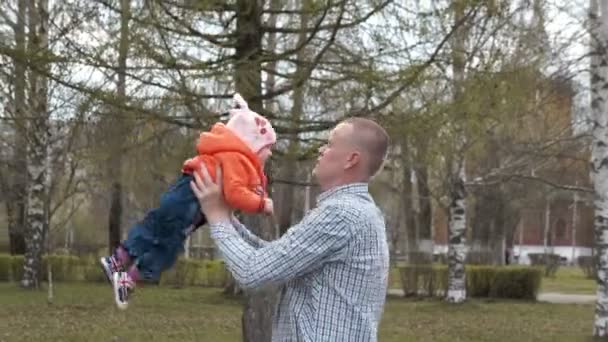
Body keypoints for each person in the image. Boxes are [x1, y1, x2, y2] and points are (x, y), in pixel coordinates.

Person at [190, 117, 390, 341]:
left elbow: (252, 271)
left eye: (330, 144)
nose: (321, 150)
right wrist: (226, 217)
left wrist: (217, 216)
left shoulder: (342, 214)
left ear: (351, 160)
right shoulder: (357, 211)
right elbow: (275, 259)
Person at [100, 93, 277, 309]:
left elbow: (234, 192)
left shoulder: (232, 158)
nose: (270, 153)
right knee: (161, 239)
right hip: (188, 202)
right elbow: (235, 193)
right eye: (268, 147)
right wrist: (262, 204)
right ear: (253, 144)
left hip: (187, 199)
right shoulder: (237, 159)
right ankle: (124, 269)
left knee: (160, 238)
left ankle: (124, 270)